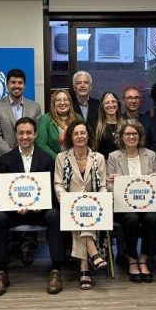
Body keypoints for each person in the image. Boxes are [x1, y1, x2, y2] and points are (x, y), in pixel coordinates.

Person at [0, 117, 65, 296]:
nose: (25, 136)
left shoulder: (46, 158)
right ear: (16, 135)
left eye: (29, 133)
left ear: (35, 134)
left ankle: (56, 270)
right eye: (21, 133)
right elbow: (2, 191)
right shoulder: (6, 159)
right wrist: (13, 206)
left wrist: (42, 204)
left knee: (55, 215)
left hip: (39, 210)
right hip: (14, 211)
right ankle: (1, 272)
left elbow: (49, 189)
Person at [54, 120, 108, 290]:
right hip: (70, 203)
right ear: (71, 136)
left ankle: (84, 267)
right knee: (77, 214)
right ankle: (92, 254)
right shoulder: (61, 157)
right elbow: (58, 183)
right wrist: (64, 197)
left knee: (84, 215)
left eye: (83, 133)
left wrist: (102, 198)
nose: (79, 136)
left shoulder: (98, 158)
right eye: (76, 133)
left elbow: (103, 185)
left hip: (93, 206)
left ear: (88, 135)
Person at [106, 120, 156, 283]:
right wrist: (115, 184)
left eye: (134, 134)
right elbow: (107, 186)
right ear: (121, 137)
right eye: (127, 134)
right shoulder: (114, 156)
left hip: (147, 204)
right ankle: (131, 259)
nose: (131, 137)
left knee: (153, 218)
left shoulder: (150, 155)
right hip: (124, 206)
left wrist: (155, 179)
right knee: (132, 218)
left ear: (140, 136)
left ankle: (143, 258)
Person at [0, 69, 42, 168]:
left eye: (20, 83)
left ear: (24, 85)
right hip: (3, 160)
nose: (17, 86)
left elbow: (36, 134)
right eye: (13, 82)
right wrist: (14, 156)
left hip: (29, 161)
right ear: (7, 85)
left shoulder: (35, 107)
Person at [36, 89, 77, 162]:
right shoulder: (45, 119)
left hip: (76, 163)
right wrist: (58, 159)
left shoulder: (78, 118)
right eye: (58, 100)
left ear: (70, 102)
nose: (62, 103)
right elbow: (41, 145)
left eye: (65, 99)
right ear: (53, 103)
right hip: (53, 163)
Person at [121, 86, 156, 152]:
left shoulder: (149, 121)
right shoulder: (118, 121)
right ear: (123, 101)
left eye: (136, 98)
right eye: (130, 98)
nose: (133, 101)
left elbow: (154, 144)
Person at [93, 92, 124, 159]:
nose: (111, 105)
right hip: (103, 165)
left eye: (113, 101)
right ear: (102, 107)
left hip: (122, 164)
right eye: (107, 103)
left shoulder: (125, 125)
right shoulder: (95, 127)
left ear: (118, 104)